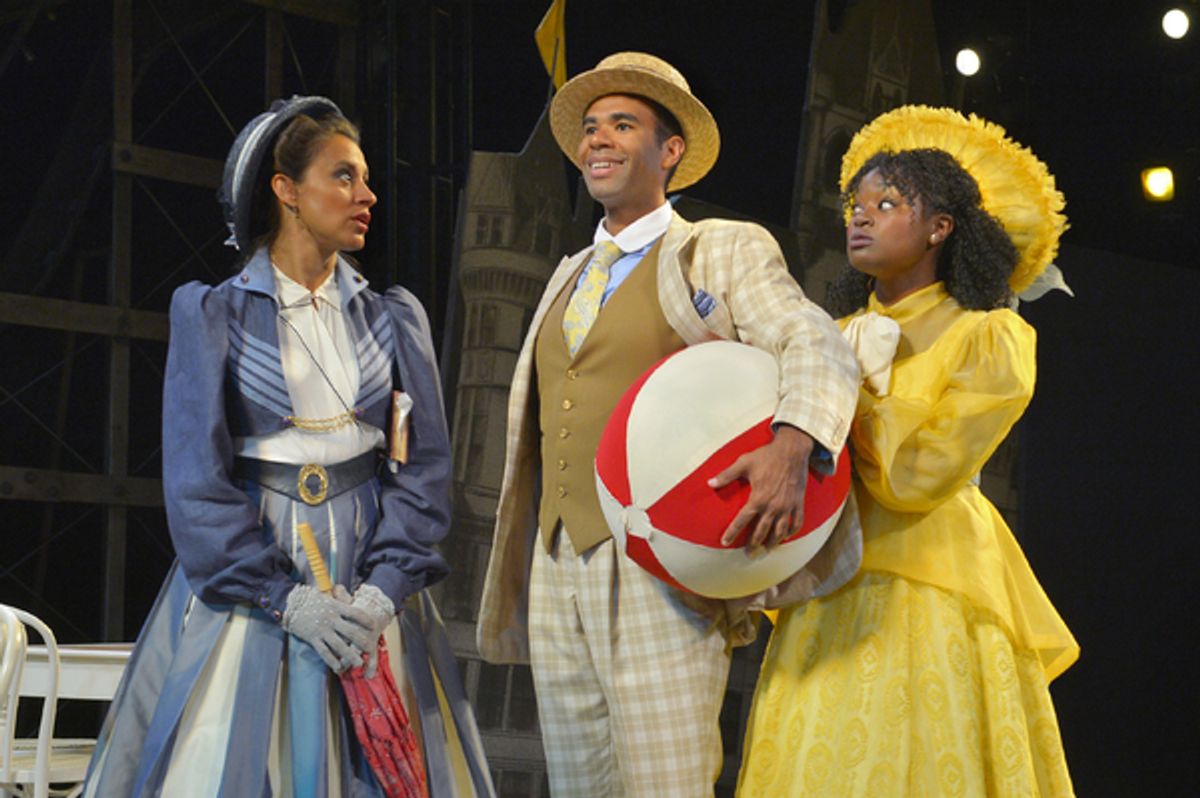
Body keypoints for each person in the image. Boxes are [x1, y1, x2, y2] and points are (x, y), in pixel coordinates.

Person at [476, 53, 860, 796]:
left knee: (665, 785)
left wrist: (794, 441)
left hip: (663, 562)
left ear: (670, 151)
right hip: (559, 560)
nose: (599, 141)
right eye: (590, 129)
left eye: (623, 125)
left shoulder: (717, 247)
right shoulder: (568, 273)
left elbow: (813, 340)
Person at [84, 96, 475, 797]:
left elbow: (423, 470)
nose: (367, 195)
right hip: (255, 582)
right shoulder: (214, 314)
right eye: (344, 177)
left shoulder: (392, 317)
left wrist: (384, 592)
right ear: (286, 190)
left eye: (365, 179)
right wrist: (283, 597)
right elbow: (196, 481)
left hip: (367, 574)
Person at [737, 105, 1079, 796]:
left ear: (940, 227)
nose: (859, 218)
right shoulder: (825, 336)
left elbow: (917, 476)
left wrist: (837, 397)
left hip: (930, 588)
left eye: (887, 204)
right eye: (854, 205)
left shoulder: (986, 337)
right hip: (825, 586)